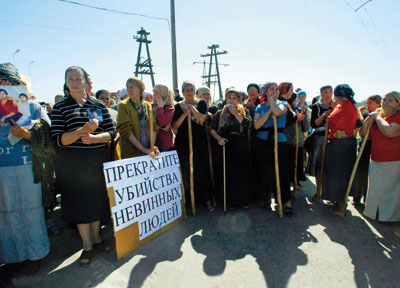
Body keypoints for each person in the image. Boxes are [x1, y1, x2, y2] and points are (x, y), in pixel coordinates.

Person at [50, 66, 116, 266]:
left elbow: (111, 132)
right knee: (79, 206)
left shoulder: (96, 104)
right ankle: (87, 246)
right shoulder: (61, 107)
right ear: (66, 82)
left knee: (96, 202)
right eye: (70, 79)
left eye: (78, 78)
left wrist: (95, 138)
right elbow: (58, 139)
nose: (75, 82)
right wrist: (82, 131)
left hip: (96, 162)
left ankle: (96, 239)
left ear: (86, 81)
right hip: (74, 165)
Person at [0, 74, 50, 271]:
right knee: (6, 214)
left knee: (31, 212)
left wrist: (26, 133)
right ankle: (11, 256)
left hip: (28, 167)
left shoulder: (33, 106)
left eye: (11, 82)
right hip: (2, 170)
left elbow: (48, 131)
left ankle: (36, 253)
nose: (7, 86)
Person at [172, 81, 214, 211]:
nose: (189, 92)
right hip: (183, 143)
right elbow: (174, 126)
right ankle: (188, 201)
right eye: (187, 90)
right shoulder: (178, 107)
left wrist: (192, 109)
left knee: (201, 171)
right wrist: (185, 114)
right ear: (183, 92)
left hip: (199, 142)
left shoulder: (201, 103)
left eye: (192, 89)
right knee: (185, 171)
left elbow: (202, 119)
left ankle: (206, 199)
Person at [360, 91, 400, 227]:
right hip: (376, 158)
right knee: (375, 188)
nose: (385, 102)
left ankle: (388, 217)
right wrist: (367, 121)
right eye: (384, 99)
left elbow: (389, 132)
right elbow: (365, 135)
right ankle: (374, 213)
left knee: (389, 191)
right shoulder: (380, 116)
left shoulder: (397, 116)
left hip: (393, 160)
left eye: (390, 100)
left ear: (398, 103)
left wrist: (377, 118)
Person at [253, 82, 293, 216]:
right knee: (266, 172)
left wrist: (272, 102)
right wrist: (268, 109)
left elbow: (277, 112)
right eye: (271, 89)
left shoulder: (283, 104)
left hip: (279, 141)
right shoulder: (259, 107)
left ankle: (286, 202)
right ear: (265, 91)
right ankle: (267, 198)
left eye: (276, 89)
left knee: (282, 172)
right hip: (263, 141)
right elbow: (257, 125)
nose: (274, 91)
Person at [210, 89, 251, 209]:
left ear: (239, 100)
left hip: (240, 144)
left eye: (234, 98)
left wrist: (236, 113)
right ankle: (228, 201)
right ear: (225, 99)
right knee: (227, 173)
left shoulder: (244, 111)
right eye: (229, 98)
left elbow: (247, 124)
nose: (231, 100)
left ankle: (242, 200)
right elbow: (212, 129)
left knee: (241, 173)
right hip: (225, 143)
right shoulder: (219, 113)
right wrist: (218, 138)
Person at [322, 84, 357, 216]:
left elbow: (339, 126)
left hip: (341, 144)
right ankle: (338, 201)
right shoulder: (346, 105)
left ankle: (340, 204)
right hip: (341, 143)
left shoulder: (345, 107)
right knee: (338, 173)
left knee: (338, 174)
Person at [116, 77, 159, 159]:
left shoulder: (147, 105)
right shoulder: (123, 105)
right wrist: (143, 149)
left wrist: (151, 146)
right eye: (127, 87)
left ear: (139, 88)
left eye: (131, 87)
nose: (129, 90)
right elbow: (125, 130)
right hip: (131, 151)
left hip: (147, 147)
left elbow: (153, 126)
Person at [351, 95, 382, 206]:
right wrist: (367, 120)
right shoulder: (366, 115)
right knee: (361, 171)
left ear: (378, 104)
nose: (367, 105)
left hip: (375, 146)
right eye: (367, 102)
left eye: (370, 103)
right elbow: (362, 133)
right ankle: (357, 196)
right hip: (364, 145)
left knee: (371, 173)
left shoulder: (382, 116)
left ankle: (368, 199)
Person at [305, 85, 333, 194]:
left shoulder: (336, 106)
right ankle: (319, 191)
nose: (328, 94)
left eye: (330, 92)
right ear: (321, 94)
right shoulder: (316, 106)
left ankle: (329, 191)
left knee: (330, 165)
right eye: (325, 92)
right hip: (319, 137)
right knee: (319, 165)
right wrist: (324, 115)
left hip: (333, 137)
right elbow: (314, 124)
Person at [152, 84, 175, 152]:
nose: (154, 94)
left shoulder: (169, 108)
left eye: (156, 92)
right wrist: (160, 128)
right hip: (153, 142)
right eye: (154, 92)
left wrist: (160, 107)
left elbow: (163, 123)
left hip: (165, 144)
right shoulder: (151, 106)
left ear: (163, 94)